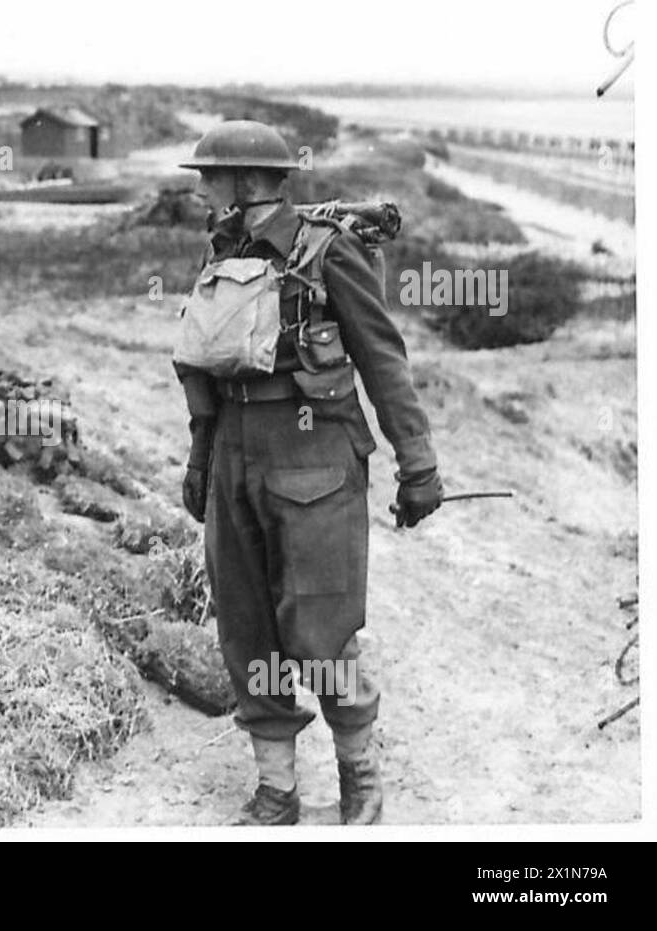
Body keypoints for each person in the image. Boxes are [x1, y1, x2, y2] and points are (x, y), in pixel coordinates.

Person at [174, 121, 444, 825]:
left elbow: (383, 359)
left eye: (212, 177)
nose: (202, 189)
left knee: (321, 626)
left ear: (245, 183)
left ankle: (360, 776)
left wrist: (418, 464)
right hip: (236, 459)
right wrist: (203, 461)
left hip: (316, 464)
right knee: (246, 626)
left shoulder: (330, 254)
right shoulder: (223, 253)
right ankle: (276, 788)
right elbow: (204, 369)